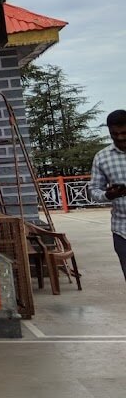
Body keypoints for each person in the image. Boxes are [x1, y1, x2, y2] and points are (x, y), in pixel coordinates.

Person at [90, 109, 126, 281]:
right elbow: (94, 191)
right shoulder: (102, 158)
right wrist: (108, 195)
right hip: (122, 230)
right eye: (114, 134)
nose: (120, 138)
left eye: (124, 133)